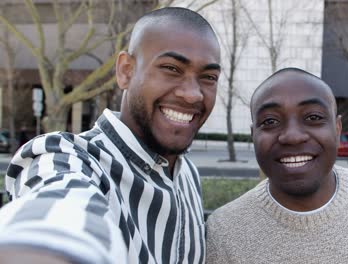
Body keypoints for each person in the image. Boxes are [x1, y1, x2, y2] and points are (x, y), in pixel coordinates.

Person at [0, 7, 221, 264]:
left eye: (208, 77)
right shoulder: (67, 157)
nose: (193, 94)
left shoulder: (188, 175)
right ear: (126, 71)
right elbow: (60, 207)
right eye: (171, 68)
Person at [206, 68, 348, 264]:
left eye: (313, 117)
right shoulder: (223, 231)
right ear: (253, 134)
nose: (293, 136)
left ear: (337, 129)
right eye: (270, 121)